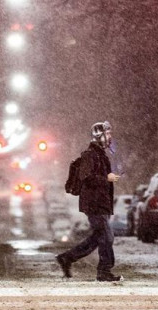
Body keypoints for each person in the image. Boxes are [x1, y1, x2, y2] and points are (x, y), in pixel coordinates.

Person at [56, 121, 123, 282]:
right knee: (107, 237)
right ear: (98, 136)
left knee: (98, 238)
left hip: (100, 203)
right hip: (94, 204)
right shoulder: (90, 155)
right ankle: (104, 271)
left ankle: (67, 258)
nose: (110, 137)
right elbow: (86, 177)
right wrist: (106, 178)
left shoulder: (99, 154)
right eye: (107, 134)